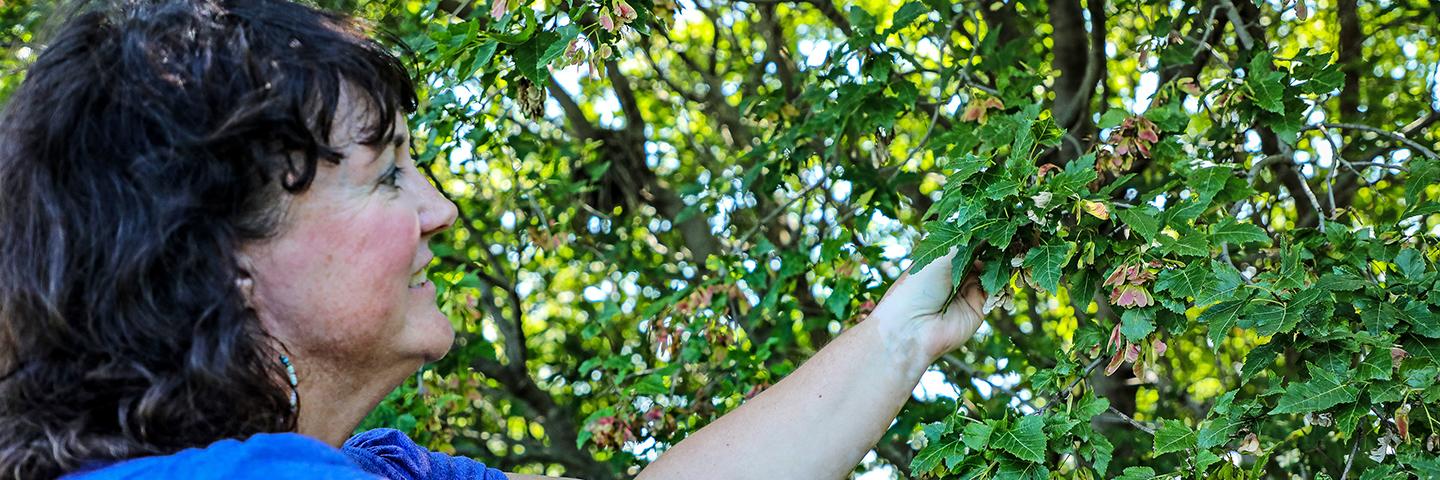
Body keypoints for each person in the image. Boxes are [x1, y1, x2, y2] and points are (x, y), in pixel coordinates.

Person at [0, 1, 988, 479]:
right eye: (387, 175)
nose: (441, 211)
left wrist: (899, 337)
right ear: (225, 261)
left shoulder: (380, 469)